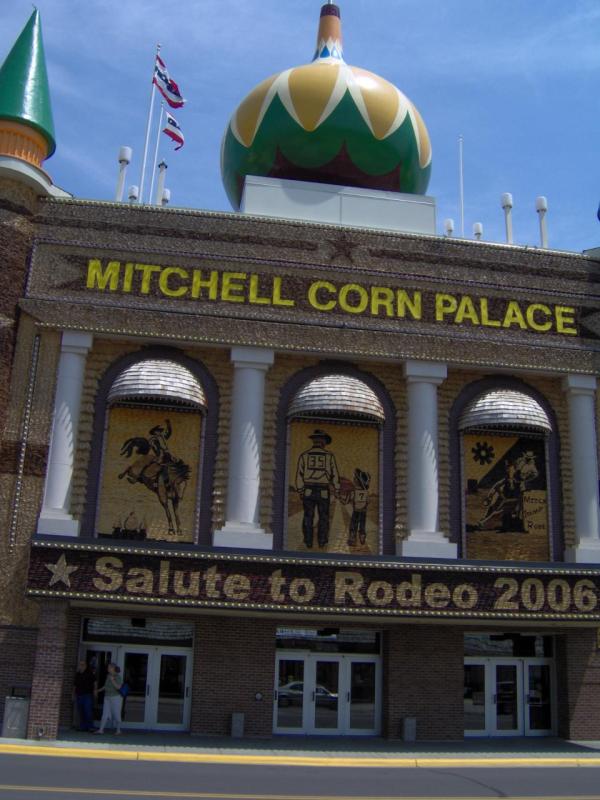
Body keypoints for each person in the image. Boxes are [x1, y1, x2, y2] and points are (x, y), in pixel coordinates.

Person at [295, 429, 340, 548]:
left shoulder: (304, 455)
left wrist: (300, 489)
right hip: (323, 490)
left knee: (308, 516)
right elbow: (334, 474)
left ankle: (308, 541)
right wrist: (337, 488)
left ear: (314, 441)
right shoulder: (329, 456)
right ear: (323, 442)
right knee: (323, 517)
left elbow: (299, 474)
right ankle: (322, 541)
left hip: (308, 489)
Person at [94, 662, 123, 735]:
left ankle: (118, 730)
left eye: (109, 667)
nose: (107, 669)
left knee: (116, 714)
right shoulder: (108, 676)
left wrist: (113, 680)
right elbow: (105, 686)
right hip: (107, 697)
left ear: (113, 668)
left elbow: (118, 687)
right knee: (105, 714)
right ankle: (101, 730)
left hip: (115, 697)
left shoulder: (118, 677)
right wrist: (98, 690)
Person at [73, 659, 96, 732]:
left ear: (86, 666)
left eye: (83, 664)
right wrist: (72, 694)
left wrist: (95, 691)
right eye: (80, 664)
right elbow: (75, 685)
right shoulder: (77, 674)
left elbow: (95, 682)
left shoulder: (89, 673)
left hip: (87, 695)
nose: (81, 666)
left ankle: (90, 727)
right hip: (79, 695)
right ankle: (83, 726)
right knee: (81, 711)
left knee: (88, 711)